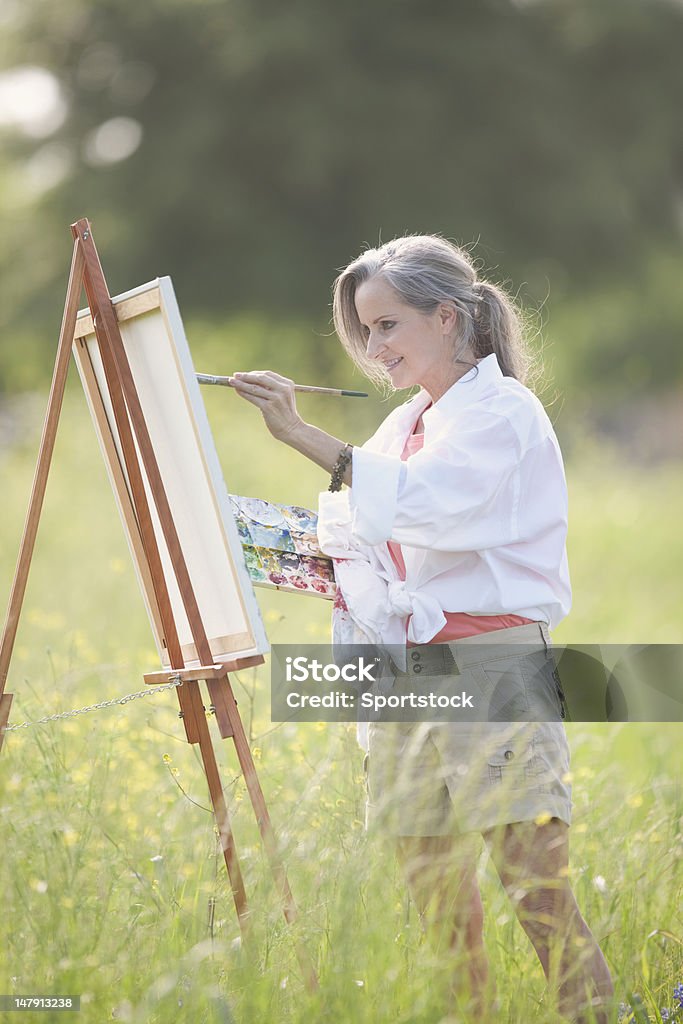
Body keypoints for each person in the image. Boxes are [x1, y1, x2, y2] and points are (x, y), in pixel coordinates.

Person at [230, 234, 614, 1022]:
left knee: (537, 901)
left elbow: (424, 502)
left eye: (385, 326)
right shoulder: (403, 423)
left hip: (488, 665)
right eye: (364, 332)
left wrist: (299, 432)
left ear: (446, 319)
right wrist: (238, 535)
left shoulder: (503, 411)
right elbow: (355, 533)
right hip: (400, 676)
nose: (373, 349)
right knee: (438, 913)